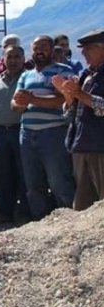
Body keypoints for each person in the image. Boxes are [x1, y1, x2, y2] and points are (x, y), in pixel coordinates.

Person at [12, 35, 75, 220]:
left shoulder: (62, 71)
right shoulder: (26, 75)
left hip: (53, 133)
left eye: (44, 47)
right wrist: (21, 104)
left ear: (52, 49)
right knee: (33, 183)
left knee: (59, 181)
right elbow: (14, 104)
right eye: (36, 47)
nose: (39, 50)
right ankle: (40, 220)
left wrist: (31, 100)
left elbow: (62, 99)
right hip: (27, 133)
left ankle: (68, 221)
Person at [54, 29, 104, 210]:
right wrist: (68, 96)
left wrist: (78, 93)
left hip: (100, 147)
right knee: (83, 203)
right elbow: (73, 111)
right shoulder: (87, 74)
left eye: (88, 48)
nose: (83, 53)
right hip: (82, 143)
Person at [0, 45, 29, 222]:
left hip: (21, 130)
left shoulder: (28, 78)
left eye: (17, 56)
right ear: (3, 59)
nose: (13, 60)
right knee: (2, 173)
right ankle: (5, 211)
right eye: (9, 57)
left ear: (24, 58)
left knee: (24, 172)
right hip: (1, 132)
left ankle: (25, 212)